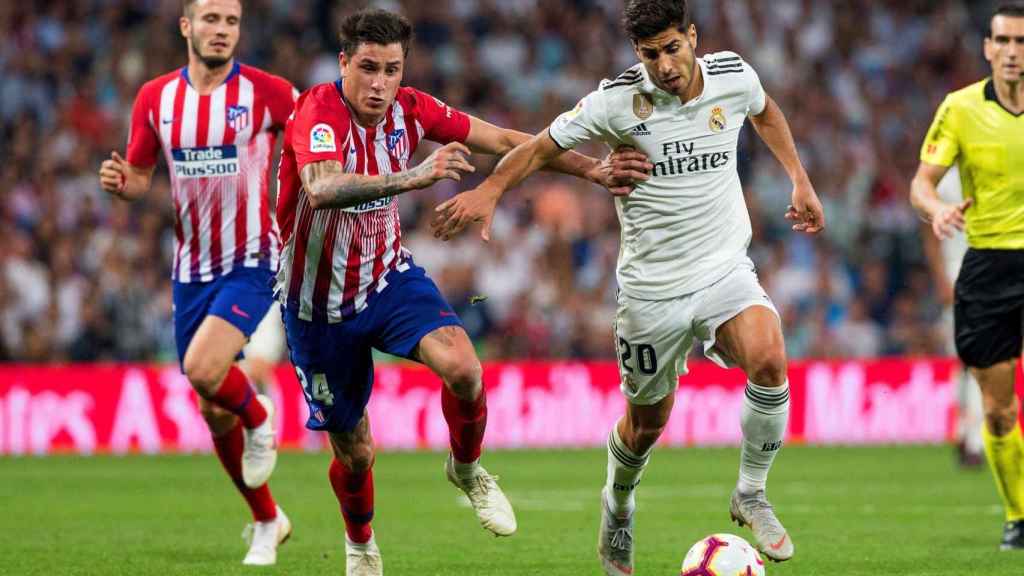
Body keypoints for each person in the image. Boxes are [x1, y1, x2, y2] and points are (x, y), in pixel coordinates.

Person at [432, 0, 825, 571]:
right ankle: (617, 504)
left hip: (723, 269)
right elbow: (542, 147)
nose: (664, 64)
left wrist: (799, 179)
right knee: (647, 425)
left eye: (672, 47)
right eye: (650, 54)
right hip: (650, 290)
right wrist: (491, 192)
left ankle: (751, 490)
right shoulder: (617, 101)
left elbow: (765, 112)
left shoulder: (734, 76)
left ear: (692, 37)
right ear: (635, 54)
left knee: (769, 357)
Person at [274, 8, 648, 576]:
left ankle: (468, 468)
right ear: (344, 63)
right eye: (368, 68)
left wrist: (591, 170)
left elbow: (503, 139)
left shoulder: (412, 108)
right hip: (315, 306)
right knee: (356, 453)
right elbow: (321, 188)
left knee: (466, 370)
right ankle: (361, 544)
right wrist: (414, 177)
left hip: (386, 279)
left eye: (391, 69)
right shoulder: (317, 112)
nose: (379, 83)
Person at [97, 0, 297, 565]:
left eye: (231, 21)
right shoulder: (157, 99)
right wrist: (121, 182)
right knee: (212, 408)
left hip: (253, 259)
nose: (221, 30)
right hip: (191, 271)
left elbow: (316, 131)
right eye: (210, 19)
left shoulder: (267, 92)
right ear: (187, 26)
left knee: (203, 370)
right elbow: (139, 178)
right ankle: (266, 519)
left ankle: (260, 416)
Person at [910, 1, 1024, 551]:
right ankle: (1017, 515)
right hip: (990, 265)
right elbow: (921, 182)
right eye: (1003, 41)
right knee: (999, 408)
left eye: (1022, 42)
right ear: (988, 48)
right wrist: (935, 210)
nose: (1012, 52)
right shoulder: (959, 109)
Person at [919, 166, 984, 469]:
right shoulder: (946, 179)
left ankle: (971, 439)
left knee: (977, 360)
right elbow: (929, 233)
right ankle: (968, 436)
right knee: (967, 361)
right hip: (957, 276)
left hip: (987, 274)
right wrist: (941, 279)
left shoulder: (989, 168)